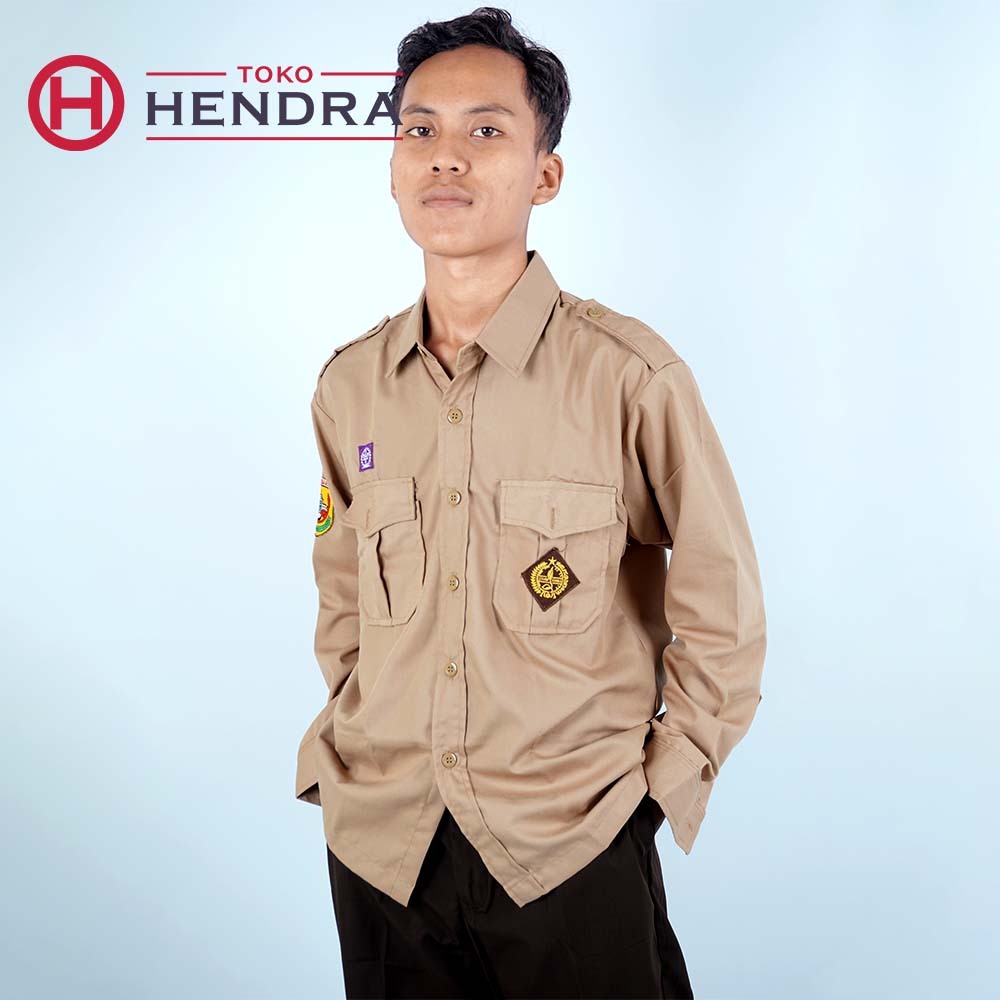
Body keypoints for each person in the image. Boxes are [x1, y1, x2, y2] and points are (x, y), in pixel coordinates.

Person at [295, 7, 767, 998]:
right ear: (392, 167)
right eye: (419, 129)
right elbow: (343, 600)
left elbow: (723, 609)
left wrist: (655, 791)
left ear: (544, 174)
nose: (445, 155)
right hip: (384, 848)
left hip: (570, 846)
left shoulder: (630, 376)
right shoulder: (349, 386)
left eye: (486, 128)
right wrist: (351, 749)